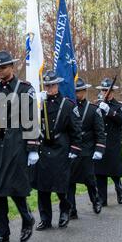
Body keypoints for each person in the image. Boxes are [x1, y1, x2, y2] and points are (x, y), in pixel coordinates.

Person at [0, 50, 40, 242]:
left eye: (3, 67)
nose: (0, 71)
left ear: (12, 67)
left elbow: (31, 118)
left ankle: (26, 216)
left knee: (14, 186)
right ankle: (2, 233)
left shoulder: (23, 88)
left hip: (15, 142)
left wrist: (32, 147)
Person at [32, 71, 82, 231]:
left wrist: (74, 148)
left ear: (57, 85)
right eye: (46, 85)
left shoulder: (67, 104)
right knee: (43, 187)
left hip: (61, 148)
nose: (49, 88)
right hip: (43, 148)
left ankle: (64, 212)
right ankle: (45, 219)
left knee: (61, 187)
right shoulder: (40, 104)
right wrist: (36, 105)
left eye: (52, 85)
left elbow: (76, 129)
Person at [68, 78, 106, 219]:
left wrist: (99, 149)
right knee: (70, 181)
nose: (78, 93)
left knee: (89, 179)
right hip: (73, 149)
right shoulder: (69, 107)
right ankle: (72, 208)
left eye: (80, 91)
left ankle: (95, 200)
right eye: (76, 91)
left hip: (87, 149)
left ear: (85, 91)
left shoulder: (93, 110)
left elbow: (100, 133)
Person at [94, 78, 122, 206]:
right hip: (100, 142)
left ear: (113, 92)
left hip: (113, 142)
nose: (106, 92)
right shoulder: (97, 105)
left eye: (108, 90)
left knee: (114, 171)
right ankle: (102, 199)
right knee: (100, 173)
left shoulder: (119, 107)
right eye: (103, 90)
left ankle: (118, 187)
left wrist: (110, 111)